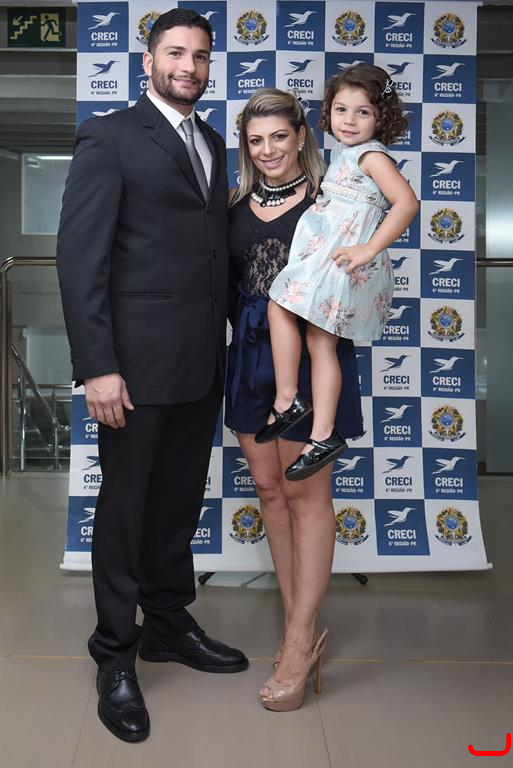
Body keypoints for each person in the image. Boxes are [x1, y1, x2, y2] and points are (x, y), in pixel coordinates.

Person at [56, 9, 247, 744]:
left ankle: (168, 621)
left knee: (176, 502)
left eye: (199, 55)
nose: (187, 66)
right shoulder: (108, 135)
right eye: (174, 53)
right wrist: (97, 367)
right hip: (131, 369)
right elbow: (80, 259)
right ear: (148, 60)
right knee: (125, 508)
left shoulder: (211, 141)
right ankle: (115, 653)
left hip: (200, 361)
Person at [225, 88, 364, 712]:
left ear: (302, 135)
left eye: (279, 136)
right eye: (256, 140)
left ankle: (302, 641)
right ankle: (293, 626)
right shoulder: (232, 204)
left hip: (309, 355)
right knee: (270, 489)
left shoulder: (332, 199)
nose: (268, 150)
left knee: (307, 495)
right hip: (248, 357)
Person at [257, 65, 419, 481]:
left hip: (344, 260)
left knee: (281, 307)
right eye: (341, 109)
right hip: (331, 257)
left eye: (363, 112)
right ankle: (319, 431)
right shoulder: (348, 153)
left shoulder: (371, 156)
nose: (349, 120)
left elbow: (407, 203)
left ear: (381, 117)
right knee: (319, 341)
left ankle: (290, 402)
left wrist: (369, 248)